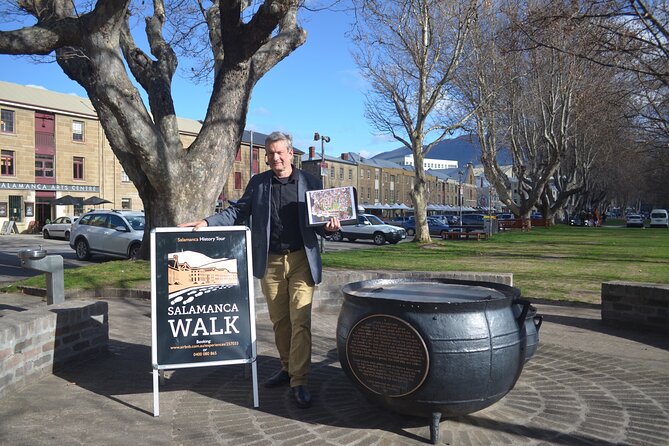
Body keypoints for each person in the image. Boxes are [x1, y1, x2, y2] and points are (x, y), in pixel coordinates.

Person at [180, 131, 341, 409]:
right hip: (271, 262)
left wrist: (332, 227)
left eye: (279, 152)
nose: (274, 157)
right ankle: (288, 367)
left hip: (302, 258)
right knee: (280, 321)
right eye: (269, 153)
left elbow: (324, 221)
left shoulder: (310, 181)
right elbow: (237, 212)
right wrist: (207, 223)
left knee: (300, 320)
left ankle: (299, 381)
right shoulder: (259, 183)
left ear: (291, 153)